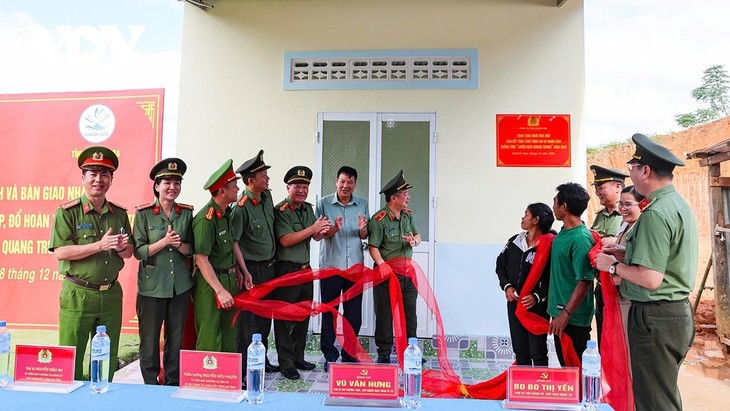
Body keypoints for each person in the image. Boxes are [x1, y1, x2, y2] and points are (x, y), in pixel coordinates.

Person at [596, 133, 697, 411]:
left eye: (632, 167)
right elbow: (666, 259)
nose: (630, 173)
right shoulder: (676, 204)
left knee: (653, 400)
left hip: (655, 317)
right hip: (674, 313)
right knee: (662, 393)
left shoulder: (655, 213)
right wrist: (625, 252)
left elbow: (651, 278)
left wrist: (612, 265)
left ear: (646, 171)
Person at [49, 146, 134, 381]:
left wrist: (121, 247)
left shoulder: (119, 213)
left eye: (104, 175)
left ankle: (103, 394)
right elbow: (61, 252)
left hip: (110, 294)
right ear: (83, 177)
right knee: (71, 355)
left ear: (111, 180)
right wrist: (99, 245)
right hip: (78, 293)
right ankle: (71, 399)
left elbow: (129, 252)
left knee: (106, 356)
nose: (99, 180)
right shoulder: (68, 212)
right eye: (93, 174)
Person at [133, 158, 194, 385]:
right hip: (152, 286)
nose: (172, 187)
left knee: (176, 337)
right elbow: (139, 251)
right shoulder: (144, 213)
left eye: (177, 183)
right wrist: (164, 242)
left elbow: (192, 249)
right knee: (149, 339)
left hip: (180, 285)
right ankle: (150, 384)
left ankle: (171, 381)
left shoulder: (186, 213)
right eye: (167, 182)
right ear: (157, 186)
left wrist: (179, 245)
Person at [273, 166, 330, 380]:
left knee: (303, 315)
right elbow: (286, 240)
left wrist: (326, 230)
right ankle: (285, 362)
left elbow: (314, 236)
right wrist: (313, 229)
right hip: (287, 270)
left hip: (305, 269)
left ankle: (298, 356)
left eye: (305, 187)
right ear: (288, 187)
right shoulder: (281, 211)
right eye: (297, 186)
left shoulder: (307, 209)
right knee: (285, 317)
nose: (301, 191)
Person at [192, 159, 252, 352]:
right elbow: (201, 259)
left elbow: (232, 245)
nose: (238, 189)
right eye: (234, 186)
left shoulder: (226, 214)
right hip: (211, 284)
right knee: (210, 337)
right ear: (222, 191)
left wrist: (243, 271)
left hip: (230, 279)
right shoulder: (206, 219)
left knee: (229, 335)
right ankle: (207, 373)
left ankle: (227, 372)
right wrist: (219, 291)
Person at [316, 166, 369, 371]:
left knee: (353, 314)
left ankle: (349, 353)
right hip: (330, 266)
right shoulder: (323, 204)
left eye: (350, 182)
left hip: (355, 268)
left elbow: (364, 235)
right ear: (336, 181)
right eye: (342, 181)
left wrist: (363, 230)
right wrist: (334, 229)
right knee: (329, 313)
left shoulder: (362, 204)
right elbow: (318, 235)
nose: (346, 185)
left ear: (355, 183)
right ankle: (329, 355)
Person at [231, 150, 280, 375]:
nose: (267, 178)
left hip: (270, 268)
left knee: (264, 318)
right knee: (248, 321)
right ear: (251, 180)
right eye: (263, 175)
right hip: (252, 270)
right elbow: (234, 242)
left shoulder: (266, 198)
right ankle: (244, 367)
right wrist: (243, 271)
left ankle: (262, 358)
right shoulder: (241, 207)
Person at [368, 170, 421, 364]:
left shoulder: (407, 216)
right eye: (405, 194)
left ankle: (410, 350)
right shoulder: (379, 220)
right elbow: (373, 246)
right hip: (387, 274)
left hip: (408, 274)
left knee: (410, 313)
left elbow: (418, 236)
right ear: (393, 198)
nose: (408, 197)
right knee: (385, 314)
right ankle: (384, 352)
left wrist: (414, 241)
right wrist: (381, 264)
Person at [495, 203, 554, 366]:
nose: (522, 217)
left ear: (536, 219)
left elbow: (554, 278)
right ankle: (522, 381)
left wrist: (537, 296)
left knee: (538, 351)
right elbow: (500, 266)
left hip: (536, 308)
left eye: (526, 214)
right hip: (514, 304)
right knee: (520, 350)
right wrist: (507, 286)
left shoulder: (549, 245)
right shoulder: (515, 241)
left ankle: (540, 381)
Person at [547, 182, 595, 365]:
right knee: (566, 368)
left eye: (555, 202)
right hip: (559, 312)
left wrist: (565, 314)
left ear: (564, 206)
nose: (553, 207)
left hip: (572, 318)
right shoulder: (563, 233)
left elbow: (585, 281)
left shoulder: (580, 239)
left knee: (575, 370)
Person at [589, 164, 628, 347]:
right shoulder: (600, 216)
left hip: (622, 289)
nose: (597, 192)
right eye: (596, 187)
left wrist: (615, 242)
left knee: (621, 340)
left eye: (601, 187)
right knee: (604, 338)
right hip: (602, 286)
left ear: (617, 186)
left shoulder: (631, 214)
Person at [612, 185, 645, 354]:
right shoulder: (625, 224)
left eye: (628, 204)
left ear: (642, 204)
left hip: (630, 297)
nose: (623, 208)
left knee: (628, 349)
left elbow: (642, 270)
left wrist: (614, 273)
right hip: (618, 295)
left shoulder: (642, 229)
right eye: (621, 204)